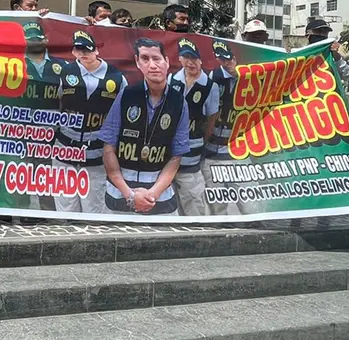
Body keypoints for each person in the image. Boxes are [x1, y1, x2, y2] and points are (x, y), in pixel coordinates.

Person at [102, 38, 190, 214]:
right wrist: (130, 195)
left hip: (160, 198)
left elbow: (176, 157)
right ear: (137, 62)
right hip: (119, 195)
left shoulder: (179, 102)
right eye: (145, 59)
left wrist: (152, 195)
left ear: (166, 61)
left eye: (156, 58)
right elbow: (108, 147)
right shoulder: (126, 95)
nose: (152, 65)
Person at [53, 30, 126, 213]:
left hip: (97, 152)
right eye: (79, 49)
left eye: (87, 49)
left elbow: (123, 115)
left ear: (96, 51)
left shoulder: (116, 77)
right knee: (65, 206)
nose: (83, 53)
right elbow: (56, 104)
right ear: (73, 52)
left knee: (93, 206)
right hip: (65, 148)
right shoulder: (64, 73)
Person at [168, 38, 220, 216]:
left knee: (194, 203)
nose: (190, 62)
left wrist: (200, 143)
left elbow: (211, 122)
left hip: (191, 156)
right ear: (180, 59)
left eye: (194, 58)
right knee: (168, 204)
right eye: (186, 57)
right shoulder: (172, 79)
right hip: (167, 155)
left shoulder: (210, 87)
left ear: (200, 60)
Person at [19, 20, 65, 214]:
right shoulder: (14, 64)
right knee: (19, 169)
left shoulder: (60, 65)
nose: (34, 42)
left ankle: (44, 211)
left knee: (45, 171)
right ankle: (16, 209)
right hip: (19, 128)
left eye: (38, 38)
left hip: (50, 131)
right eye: (30, 39)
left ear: (45, 40)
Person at [203, 39, 244, 215]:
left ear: (234, 58)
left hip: (238, 152)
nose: (226, 63)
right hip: (211, 152)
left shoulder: (248, 77)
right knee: (217, 205)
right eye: (222, 59)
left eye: (229, 58)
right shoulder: (212, 77)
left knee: (249, 202)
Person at [306, 18, 349, 85]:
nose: (322, 34)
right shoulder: (299, 55)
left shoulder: (331, 56)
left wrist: (337, 58)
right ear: (308, 34)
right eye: (318, 31)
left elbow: (347, 75)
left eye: (325, 32)